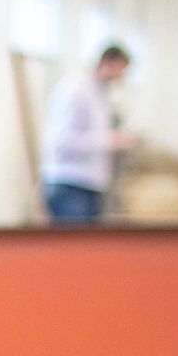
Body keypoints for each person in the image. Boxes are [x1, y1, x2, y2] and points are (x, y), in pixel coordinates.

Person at [39, 44, 132, 223]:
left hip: (90, 183)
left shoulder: (100, 92)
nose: (120, 78)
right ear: (110, 63)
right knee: (72, 249)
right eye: (120, 71)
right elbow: (61, 142)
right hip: (70, 184)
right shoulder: (76, 90)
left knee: (89, 248)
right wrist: (110, 141)